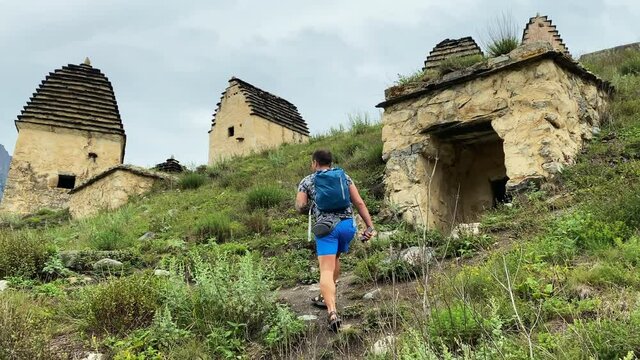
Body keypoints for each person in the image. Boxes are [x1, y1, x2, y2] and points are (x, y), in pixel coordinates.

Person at [296, 149, 375, 332]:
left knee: (325, 268)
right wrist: (369, 226)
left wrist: (306, 206)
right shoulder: (344, 177)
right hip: (347, 226)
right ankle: (326, 296)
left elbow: (300, 205)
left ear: (315, 163)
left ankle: (332, 312)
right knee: (335, 259)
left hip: (326, 228)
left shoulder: (307, 181)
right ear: (330, 162)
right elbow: (360, 203)